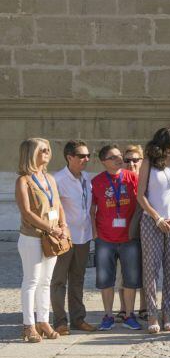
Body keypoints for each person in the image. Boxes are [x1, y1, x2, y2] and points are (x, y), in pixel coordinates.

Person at [137, 128, 170, 333]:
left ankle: (167, 312)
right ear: (164, 143)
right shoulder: (148, 163)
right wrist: (157, 218)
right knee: (150, 270)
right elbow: (141, 195)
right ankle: (152, 314)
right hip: (152, 222)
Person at [16, 138, 68, 342]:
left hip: (52, 237)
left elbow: (59, 205)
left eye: (48, 150)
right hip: (32, 237)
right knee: (31, 281)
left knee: (46, 282)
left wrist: (63, 225)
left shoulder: (50, 178)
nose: (47, 153)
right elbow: (26, 212)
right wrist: (51, 228)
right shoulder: (24, 180)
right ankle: (28, 325)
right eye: (42, 150)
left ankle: (43, 321)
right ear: (31, 154)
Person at [91, 144, 142, 331]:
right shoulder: (96, 181)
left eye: (120, 155)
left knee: (131, 278)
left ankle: (129, 314)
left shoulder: (132, 178)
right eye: (114, 157)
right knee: (105, 279)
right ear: (104, 162)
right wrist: (94, 232)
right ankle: (108, 315)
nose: (120, 159)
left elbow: (141, 203)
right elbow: (91, 208)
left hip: (129, 237)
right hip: (105, 238)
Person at [51, 140, 96, 335]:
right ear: (69, 157)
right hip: (64, 238)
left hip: (83, 236)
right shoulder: (58, 179)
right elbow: (52, 209)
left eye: (88, 155)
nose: (86, 159)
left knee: (78, 279)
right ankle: (60, 321)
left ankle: (78, 319)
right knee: (59, 280)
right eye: (81, 156)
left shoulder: (86, 177)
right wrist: (57, 229)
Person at [119, 145, 147, 321]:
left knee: (146, 270)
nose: (131, 164)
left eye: (135, 160)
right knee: (123, 272)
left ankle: (144, 306)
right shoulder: (119, 180)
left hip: (144, 231)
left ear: (142, 161)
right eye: (127, 160)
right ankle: (123, 308)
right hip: (123, 233)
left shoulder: (147, 179)